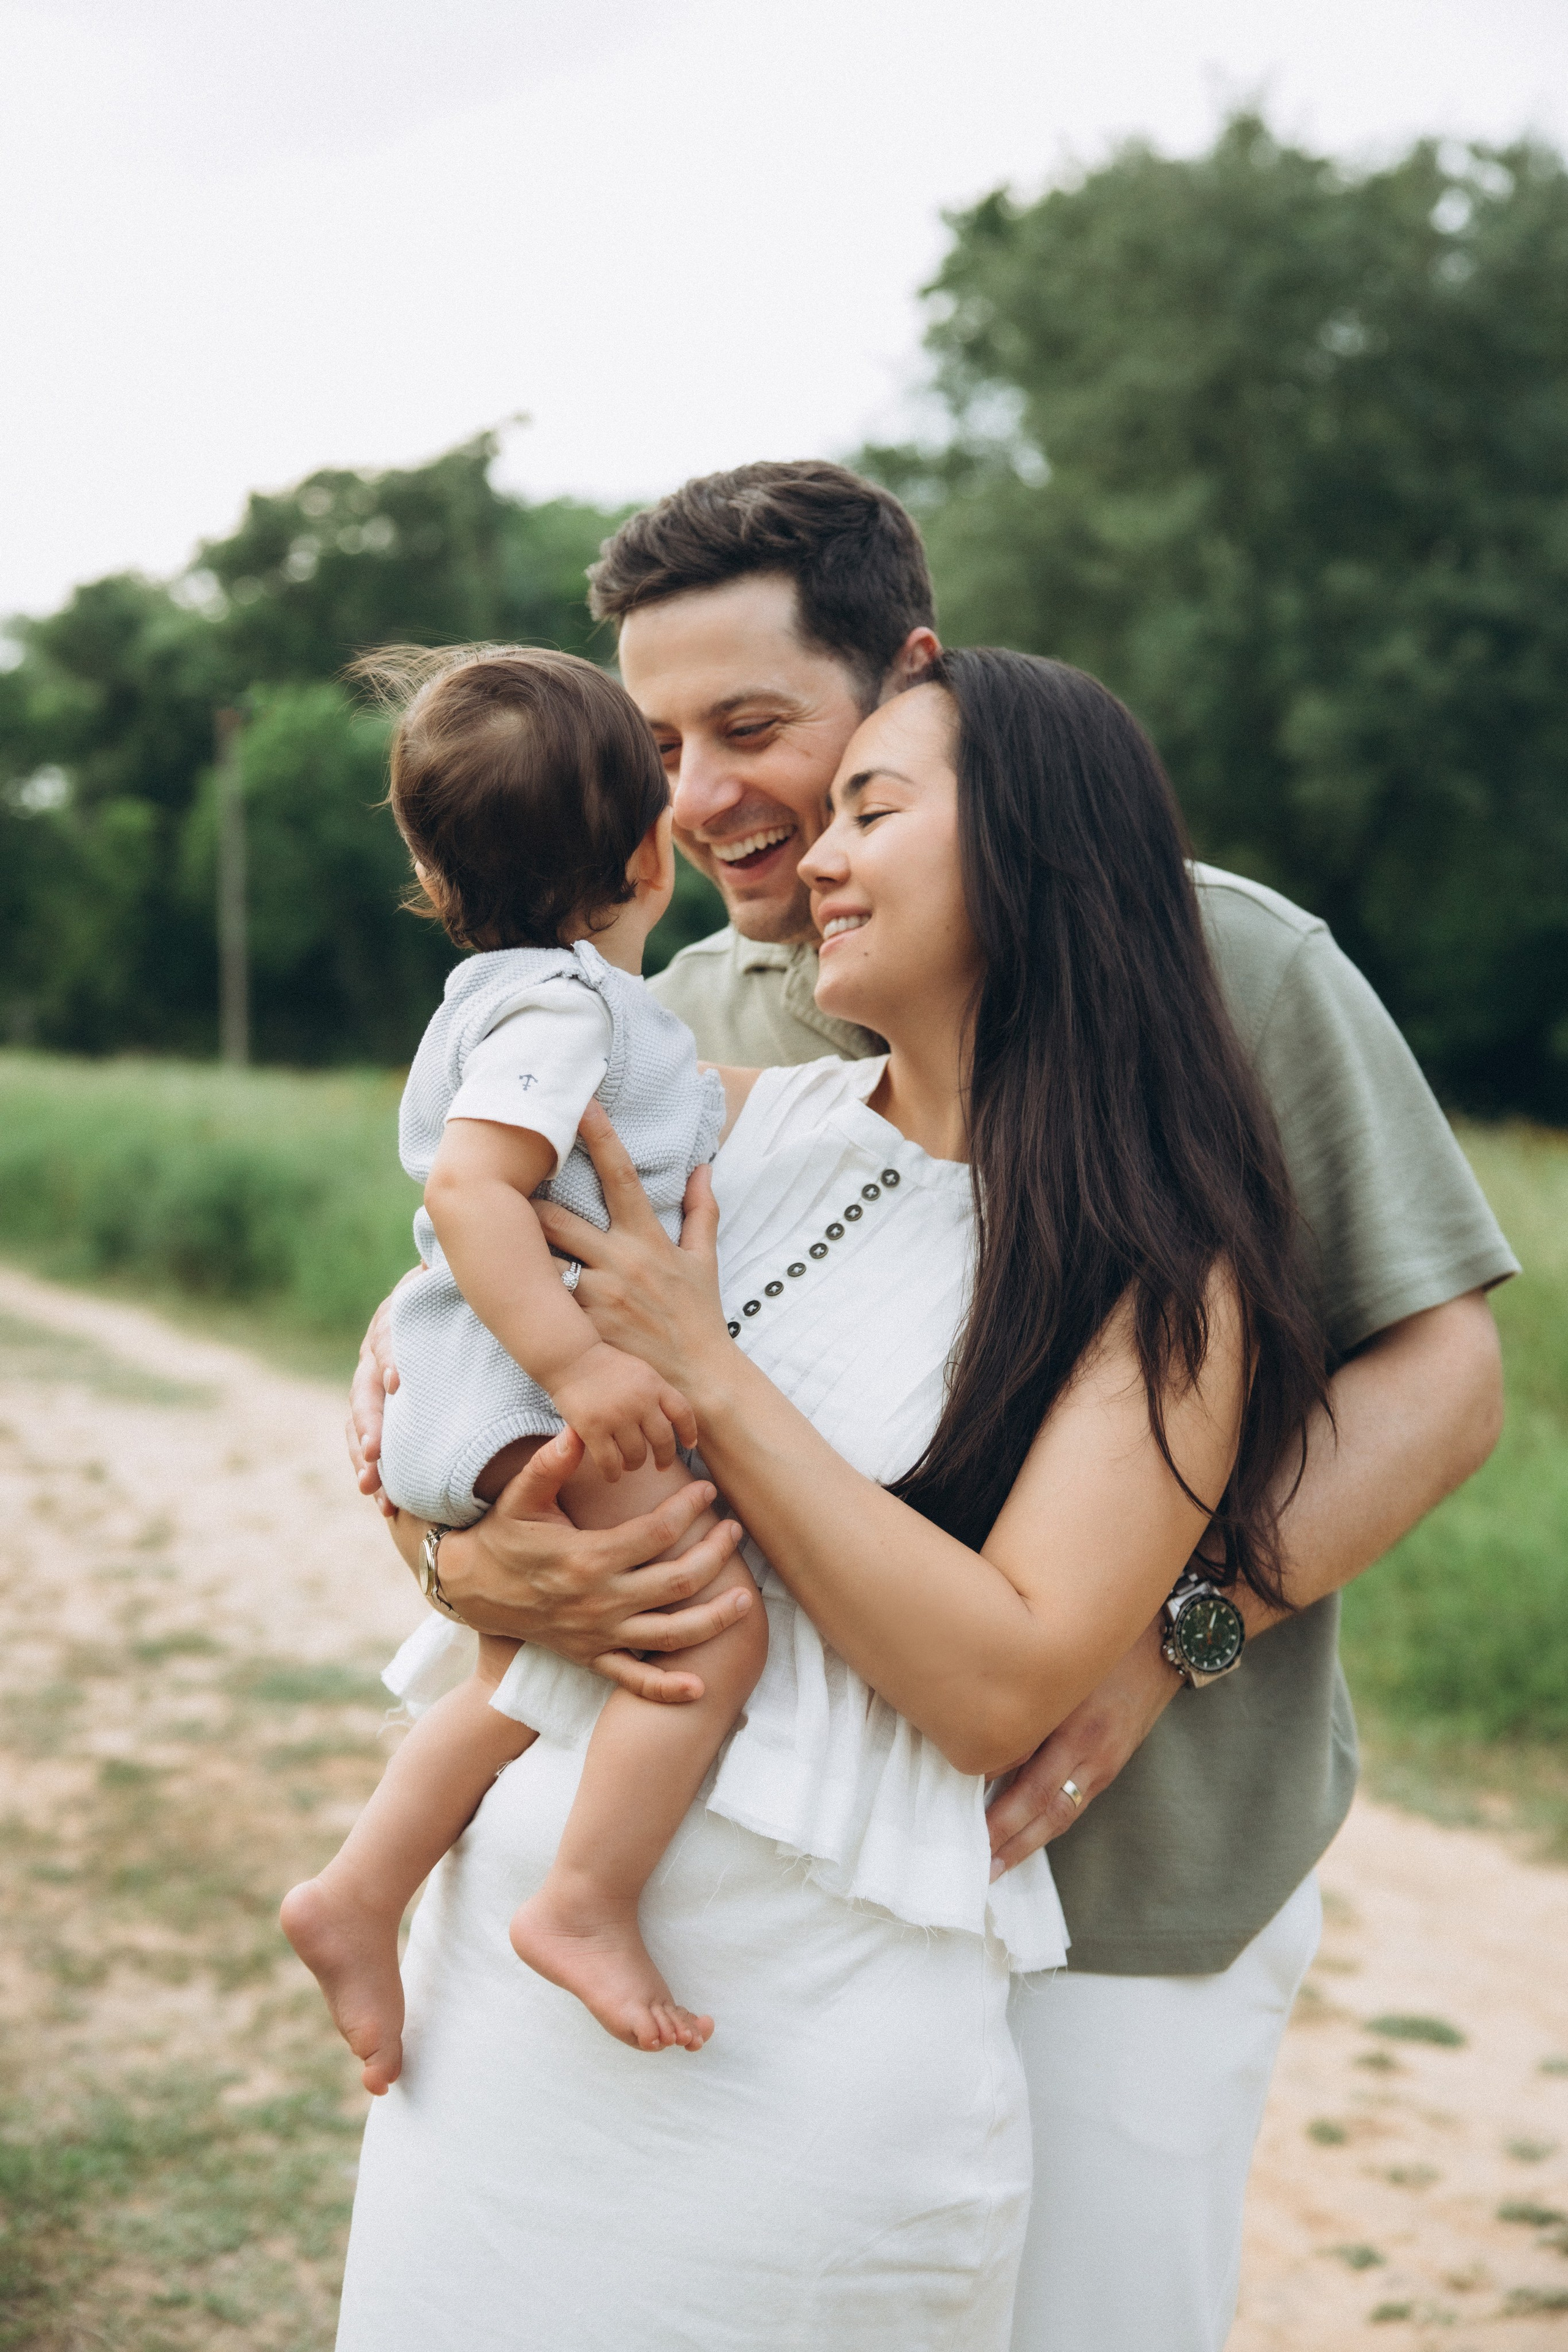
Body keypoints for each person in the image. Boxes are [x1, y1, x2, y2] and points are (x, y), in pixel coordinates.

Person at [350, 462, 1517, 2351]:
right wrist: (464, 1556)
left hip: (1122, 1873)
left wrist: (1166, 1636)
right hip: (774, 1897)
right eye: (653, 742)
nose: (697, 795)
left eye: (754, 729)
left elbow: (1444, 1382)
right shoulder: (685, 1018)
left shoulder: (1224, 965)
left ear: (904, 678)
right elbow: (467, 1330)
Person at [283, 646, 767, 2083]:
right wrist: (582, 1367)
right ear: (643, 853)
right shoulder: (562, 1011)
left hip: (477, 1384)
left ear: (438, 882)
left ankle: (358, 1892)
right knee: (711, 1631)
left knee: (515, 1684)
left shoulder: (496, 1002)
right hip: (514, 1391)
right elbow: (472, 1197)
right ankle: (583, 1902)